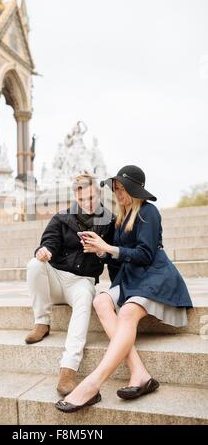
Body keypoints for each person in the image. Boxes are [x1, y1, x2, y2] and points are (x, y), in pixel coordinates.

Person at [55, 165, 193, 412]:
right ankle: (139, 373)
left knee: (128, 312)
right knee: (100, 301)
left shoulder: (148, 212)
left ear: (135, 189)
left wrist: (107, 248)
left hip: (156, 275)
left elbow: (145, 254)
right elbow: (119, 258)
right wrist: (102, 252)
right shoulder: (120, 218)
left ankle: (92, 383)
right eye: (116, 188)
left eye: (123, 188)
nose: (118, 193)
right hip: (131, 278)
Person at [26, 173, 117, 396]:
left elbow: (115, 256)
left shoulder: (110, 221)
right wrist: (44, 251)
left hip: (83, 281)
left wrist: (101, 251)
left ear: (98, 193)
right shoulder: (60, 218)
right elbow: (48, 242)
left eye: (92, 197)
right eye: (83, 199)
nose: (88, 203)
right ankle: (42, 322)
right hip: (57, 277)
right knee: (34, 265)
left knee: (86, 298)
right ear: (76, 197)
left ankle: (68, 371)